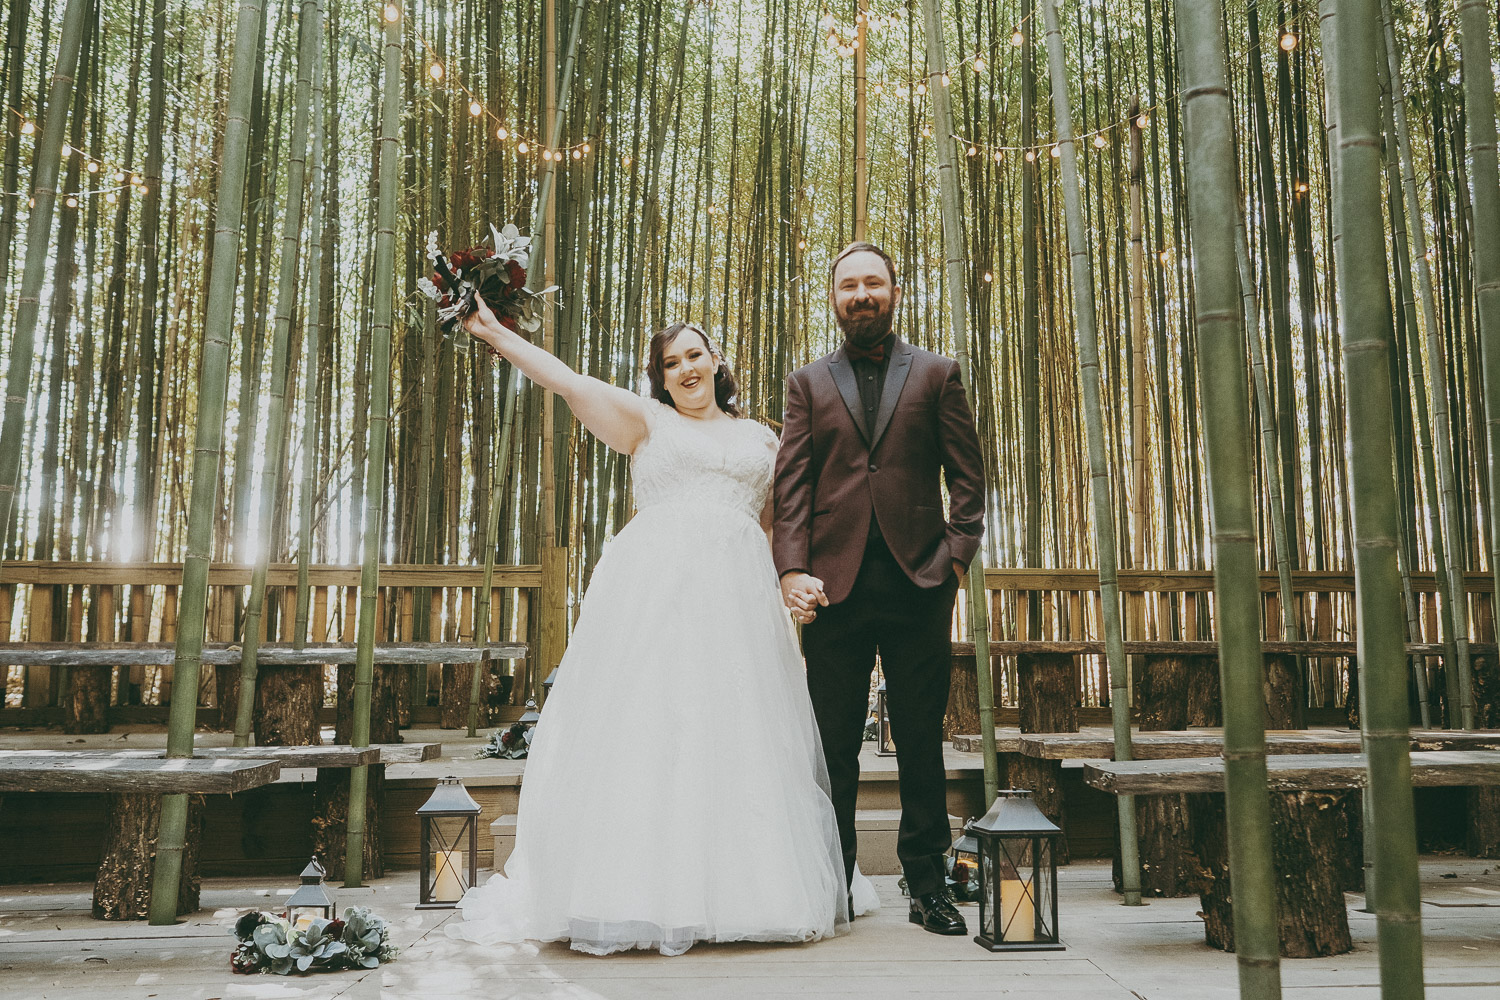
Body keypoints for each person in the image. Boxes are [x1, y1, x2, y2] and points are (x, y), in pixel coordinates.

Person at [448, 296, 875, 957]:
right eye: (670, 362)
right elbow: (564, 378)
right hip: (653, 594)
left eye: (694, 355)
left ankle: (745, 891)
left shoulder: (765, 439)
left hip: (737, 602)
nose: (684, 369)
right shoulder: (647, 420)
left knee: (735, 730)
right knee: (649, 727)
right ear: (661, 377)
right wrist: (493, 329)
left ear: (718, 361)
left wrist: (794, 583)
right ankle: (632, 893)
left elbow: (782, 527)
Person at [774, 241, 986, 936]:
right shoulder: (807, 382)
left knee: (922, 739)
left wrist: (954, 561)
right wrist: (791, 569)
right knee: (833, 743)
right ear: (833, 298)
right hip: (833, 590)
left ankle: (928, 886)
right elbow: (794, 488)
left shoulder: (936, 372)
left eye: (873, 282)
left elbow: (969, 478)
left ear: (894, 290)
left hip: (918, 582)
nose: (860, 294)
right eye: (848, 285)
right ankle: (832, 886)